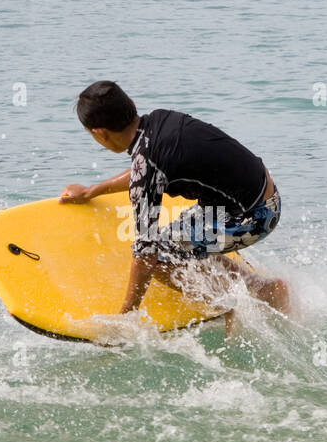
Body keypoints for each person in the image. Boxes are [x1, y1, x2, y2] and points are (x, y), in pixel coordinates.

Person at [59, 80, 290, 320]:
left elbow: (145, 253)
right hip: (259, 193)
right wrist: (92, 191)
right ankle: (263, 289)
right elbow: (146, 170)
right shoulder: (159, 120)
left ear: (99, 133)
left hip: (253, 217)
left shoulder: (147, 165)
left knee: (157, 255)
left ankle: (226, 305)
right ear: (132, 105)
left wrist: (125, 316)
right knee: (178, 238)